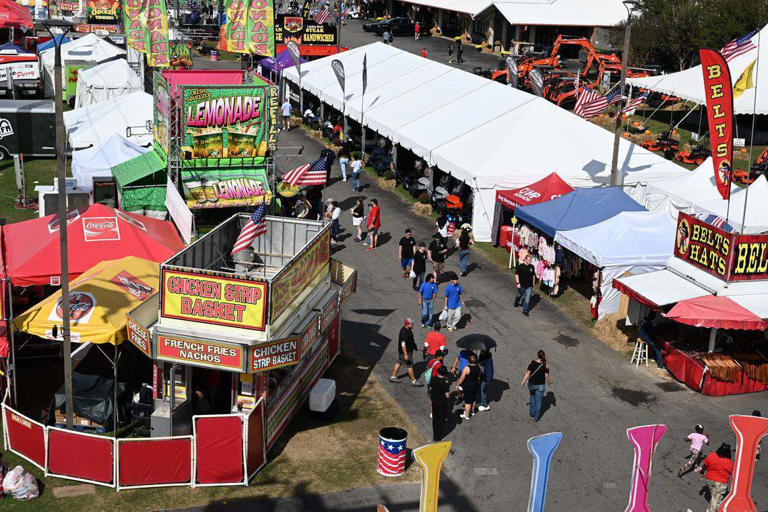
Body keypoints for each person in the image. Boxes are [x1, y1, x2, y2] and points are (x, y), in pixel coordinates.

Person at [520, 350, 550, 422]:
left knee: (532, 397)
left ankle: (532, 412)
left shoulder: (533, 363)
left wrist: (523, 382)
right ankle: (536, 418)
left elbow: (527, 373)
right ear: (544, 356)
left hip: (531, 384)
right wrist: (549, 382)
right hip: (540, 386)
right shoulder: (545, 365)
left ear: (537, 355)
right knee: (539, 401)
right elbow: (547, 376)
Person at [702, 443, 733, 512]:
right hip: (721, 483)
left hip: (710, 480)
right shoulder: (729, 462)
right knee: (716, 500)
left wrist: (702, 472)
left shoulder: (711, 456)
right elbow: (731, 473)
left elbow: (705, 465)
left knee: (714, 497)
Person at [390, 318, 421, 386]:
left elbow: (411, 340)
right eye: (411, 324)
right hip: (406, 352)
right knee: (409, 365)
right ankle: (414, 381)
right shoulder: (404, 332)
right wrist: (406, 354)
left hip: (404, 351)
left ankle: (393, 377)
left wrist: (414, 346)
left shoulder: (408, 329)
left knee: (399, 362)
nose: (413, 325)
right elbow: (403, 344)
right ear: (407, 324)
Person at [456, 353, 481, 420]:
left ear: (468, 361)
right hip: (475, 385)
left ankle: (466, 415)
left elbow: (462, 378)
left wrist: (458, 384)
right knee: (473, 399)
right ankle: (472, 412)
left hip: (468, 387)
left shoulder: (467, 368)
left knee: (467, 401)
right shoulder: (478, 366)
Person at [430, 366, 450, 441]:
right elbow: (447, 395)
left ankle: (435, 435)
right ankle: (438, 437)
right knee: (441, 420)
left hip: (434, 401)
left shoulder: (433, 378)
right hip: (441, 403)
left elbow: (431, 387)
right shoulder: (445, 383)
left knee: (435, 419)